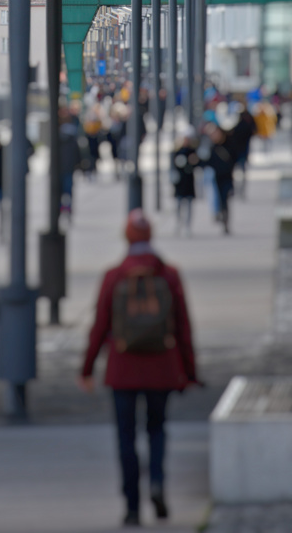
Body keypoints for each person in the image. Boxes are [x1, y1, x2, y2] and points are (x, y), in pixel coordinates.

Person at [79, 210, 198, 527]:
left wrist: (87, 368)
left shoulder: (114, 276)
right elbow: (183, 327)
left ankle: (132, 505)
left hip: (123, 368)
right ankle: (157, 482)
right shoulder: (169, 275)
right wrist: (189, 371)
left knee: (125, 437)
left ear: (126, 237)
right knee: (157, 430)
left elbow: (100, 325)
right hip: (162, 366)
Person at [171, 133, 199, 233]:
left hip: (189, 182)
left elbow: (197, 164)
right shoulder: (177, 152)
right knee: (179, 204)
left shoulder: (192, 151)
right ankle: (178, 223)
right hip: (180, 182)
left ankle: (187, 226)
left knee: (189, 205)